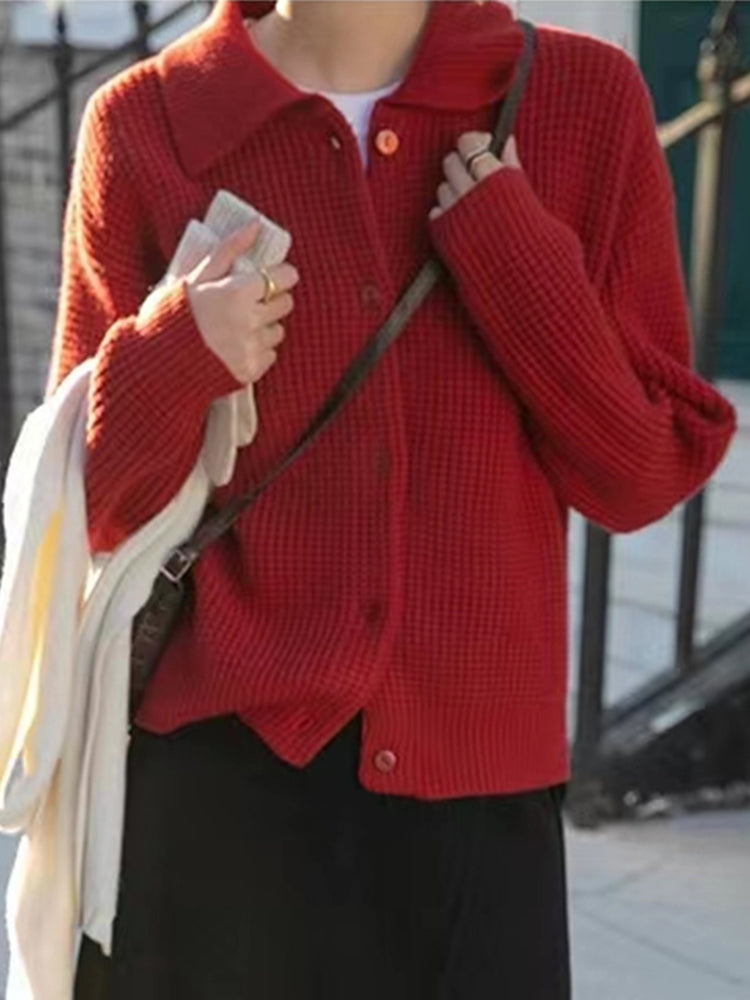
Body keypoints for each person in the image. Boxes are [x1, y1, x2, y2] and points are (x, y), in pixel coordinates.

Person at [51, 1, 737, 997]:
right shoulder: (151, 119)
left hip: (475, 815)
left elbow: (641, 472)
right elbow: (93, 505)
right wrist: (177, 354)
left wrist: (515, 261)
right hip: (214, 797)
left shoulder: (579, 100)